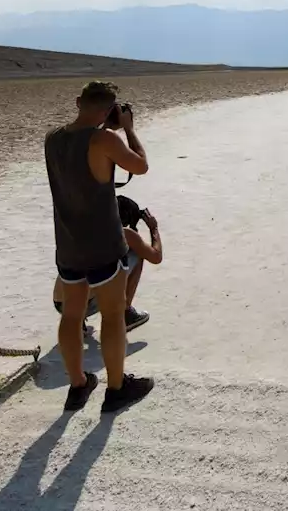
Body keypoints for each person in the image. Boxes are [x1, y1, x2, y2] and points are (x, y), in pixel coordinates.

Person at [44, 80, 155, 413]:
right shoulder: (105, 139)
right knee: (111, 316)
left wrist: (107, 125)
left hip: (68, 244)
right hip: (103, 245)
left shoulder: (53, 139)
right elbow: (140, 165)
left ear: (78, 101)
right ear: (110, 110)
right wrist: (129, 130)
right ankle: (117, 389)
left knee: (72, 316)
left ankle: (78, 385)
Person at [51, 201, 163, 334]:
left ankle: (77, 320)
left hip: (62, 302)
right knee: (137, 254)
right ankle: (125, 314)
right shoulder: (123, 233)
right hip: (88, 303)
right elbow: (156, 257)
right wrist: (153, 228)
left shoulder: (87, 228)